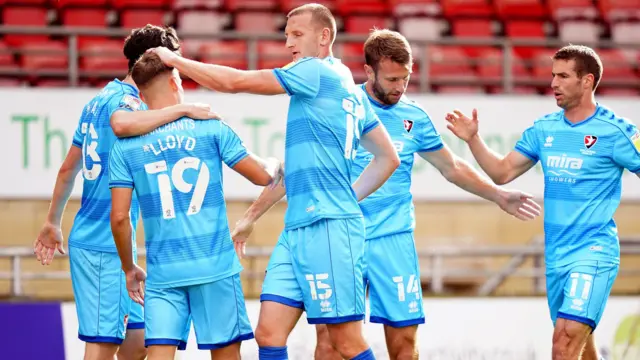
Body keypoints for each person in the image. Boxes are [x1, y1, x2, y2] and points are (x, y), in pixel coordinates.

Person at [235, 29, 542, 360]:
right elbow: (296, 171)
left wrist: (497, 195)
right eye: (393, 78)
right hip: (340, 236)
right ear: (368, 71)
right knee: (329, 342)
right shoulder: (337, 102)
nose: (400, 87)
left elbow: (451, 167)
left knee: (404, 345)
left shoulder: (414, 117)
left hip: (392, 239)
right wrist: (251, 217)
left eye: (405, 78)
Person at [149, 4, 401, 360]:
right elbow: (385, 157)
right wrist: (250, 218)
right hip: (297, 228)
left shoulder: (313, 71)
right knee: (269, 334)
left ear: (324, 37)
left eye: (297, 35)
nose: (288, 44)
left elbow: (234, 83)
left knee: (345, 342)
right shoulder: (344, 83)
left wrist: (174, 61)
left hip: (328, 226)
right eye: (286, 36)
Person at [33, 25, 217, 360]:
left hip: (110, 240)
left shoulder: (97, 100)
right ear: (154, 61)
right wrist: (183, 109)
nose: (177, 66)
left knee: (139, 340)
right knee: (103, 347)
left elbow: (67, 168)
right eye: (172, 59)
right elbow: (121, 124)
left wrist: (52, 221)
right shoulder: (127, 104)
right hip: (102, 242)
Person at [445, 45, 640, 360]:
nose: (553, 84)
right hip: (557, 255)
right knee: (582, 349)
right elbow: (502, 171)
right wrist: (472, 139)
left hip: (594, 251)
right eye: (553, 76)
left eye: (563, 76)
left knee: (563, 343)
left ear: (587, 81)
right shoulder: (544, 129)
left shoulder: (617, 131)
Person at [108, 51, 282, 359]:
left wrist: (129, 267)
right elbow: (261, 176)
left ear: (141, 94)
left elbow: (120, 218)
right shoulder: (211, 127)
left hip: (163, 274)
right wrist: (273, 163)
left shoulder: (125, 147)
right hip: (215, 267)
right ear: (176, 80)